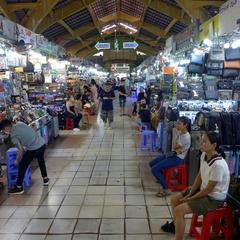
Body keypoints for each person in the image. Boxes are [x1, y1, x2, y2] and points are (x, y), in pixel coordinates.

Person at [161, 131, 230, 240]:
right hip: (203, 190)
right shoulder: (204, 155)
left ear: (214, 145)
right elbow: (199, 175)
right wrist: (191, 191)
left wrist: (191, 197)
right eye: (201, 141)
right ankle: (175, 226)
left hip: (213, 199)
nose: (201, 144)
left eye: (204, 142)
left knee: (179, 210)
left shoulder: (218, 165)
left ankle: (177, 238)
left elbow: (208, 190)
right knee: (174, 200)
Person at [0, 119, 49, 195]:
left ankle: (19, 187)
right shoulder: (20, 124)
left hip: (33, 148)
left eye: (3, 130)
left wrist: (17, 160)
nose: (4, 132)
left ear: (6, 128)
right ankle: (46, 179)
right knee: (41, 161)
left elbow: (20, 149)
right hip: (42, 144)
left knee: (22, 165)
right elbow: (29, 131)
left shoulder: (13, 136)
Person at [149, 116, 191, 197]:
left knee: (154, 170)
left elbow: (174, 146)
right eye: (177, 123)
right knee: (151, 163)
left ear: (185, 125)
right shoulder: (180, 132)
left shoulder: (185, 137)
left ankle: (166, 189)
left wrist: (175, 139)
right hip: (173, 154)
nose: (177, 126)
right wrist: (175, 141)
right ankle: (162, 178)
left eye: (179, 124)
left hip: (178, 158)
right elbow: (174, 146)